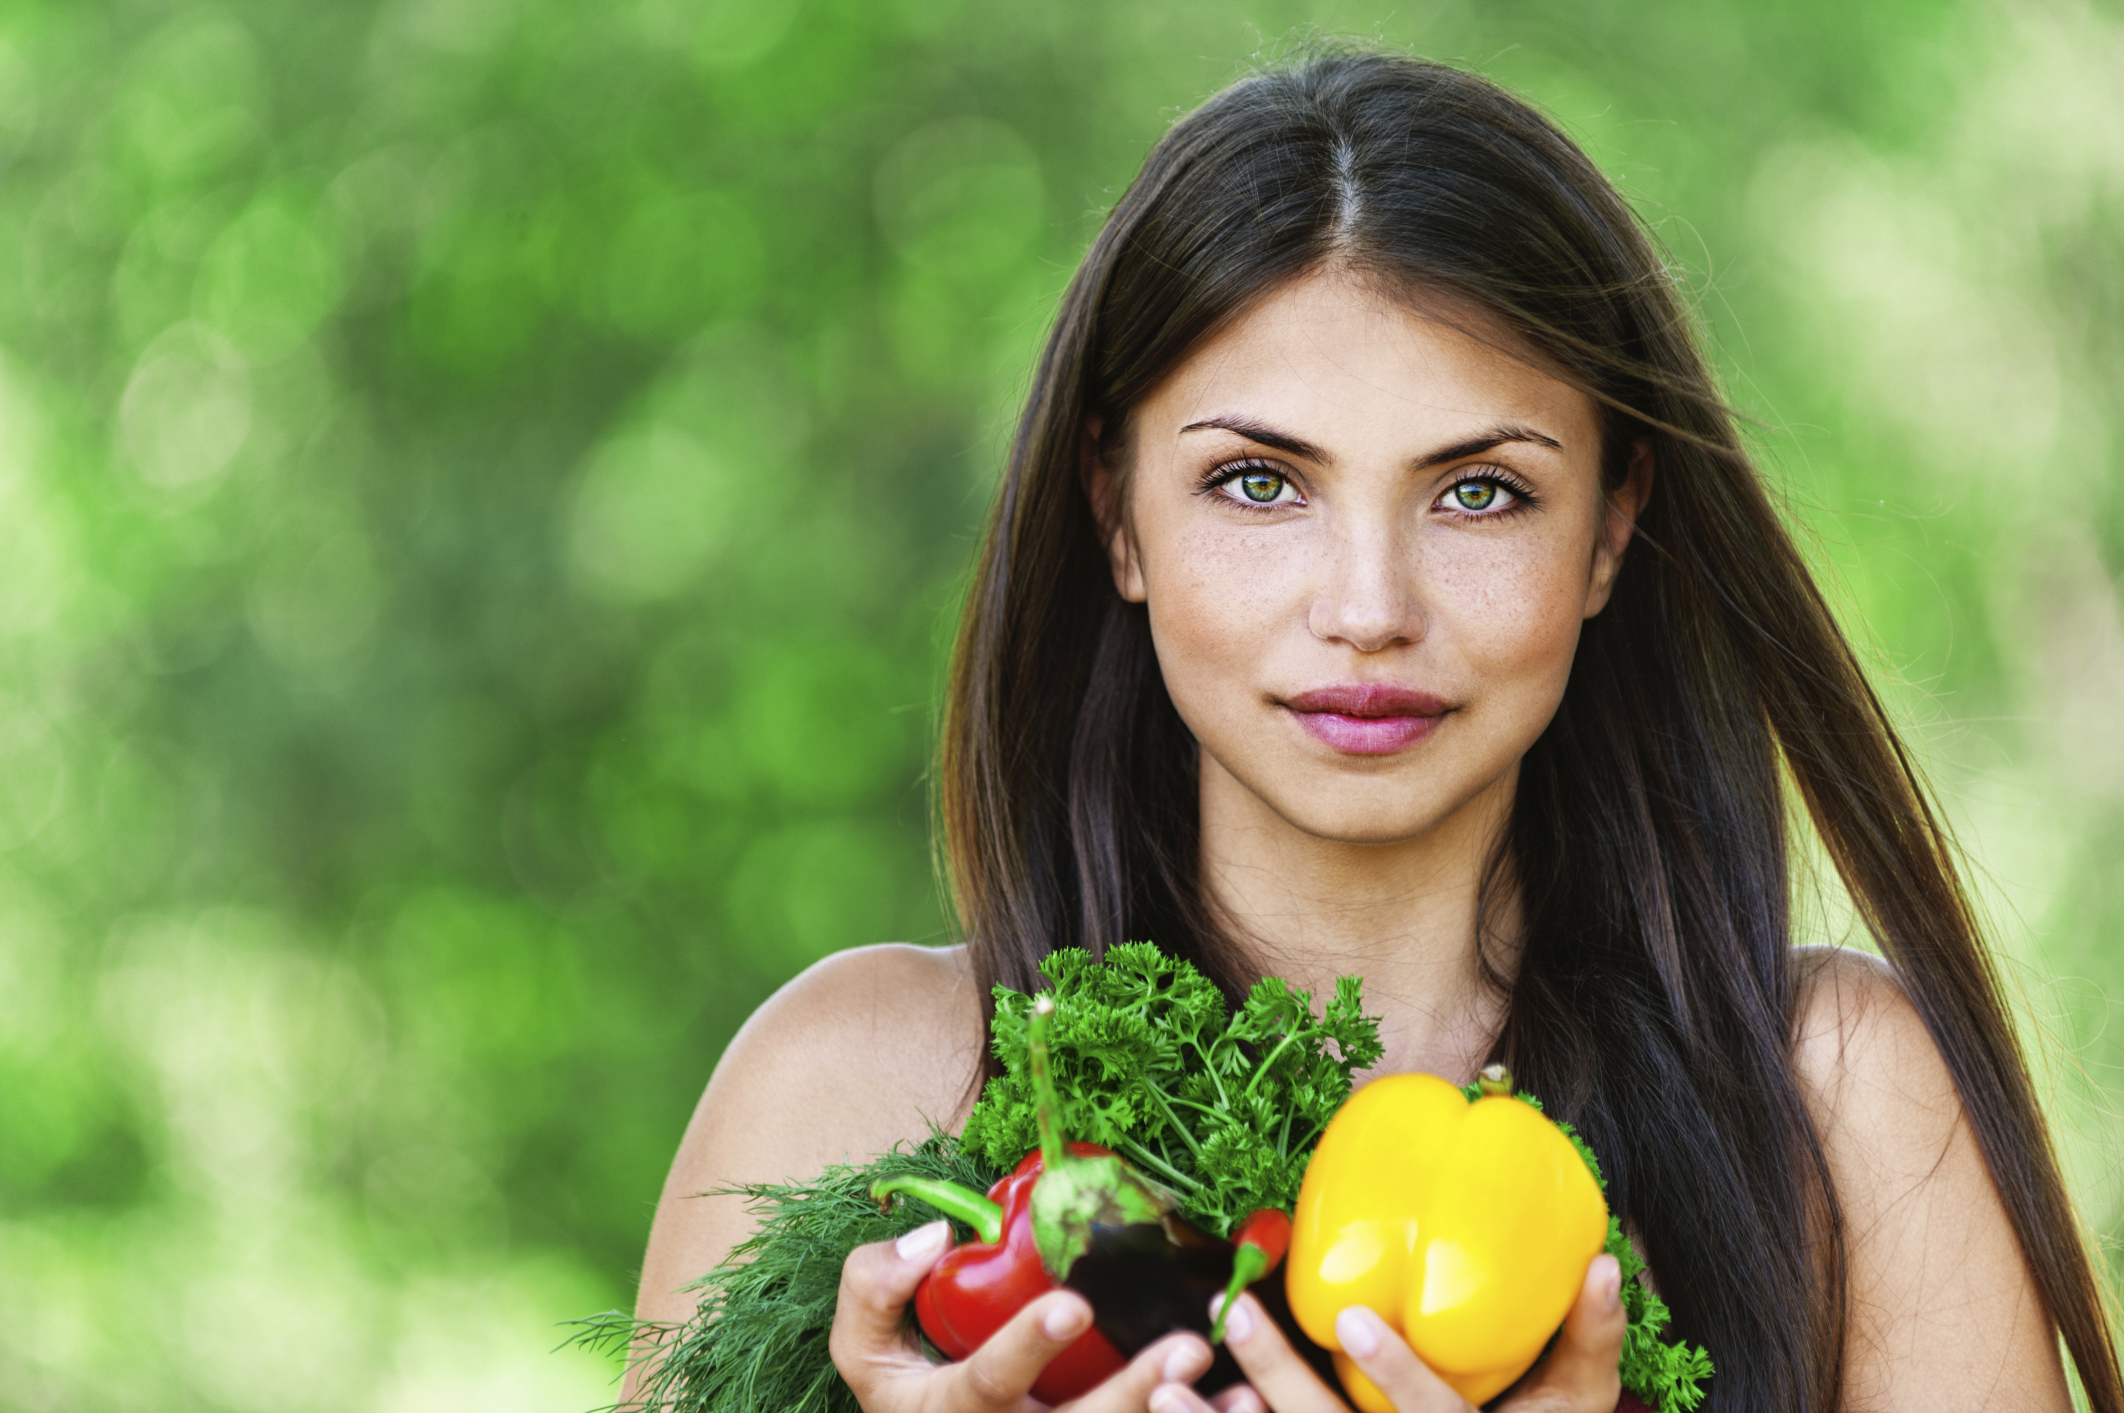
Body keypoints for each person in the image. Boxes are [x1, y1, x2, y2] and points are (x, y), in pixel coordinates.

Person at [632, 50, 2122, 1413]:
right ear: (1114, 511)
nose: (1368, 606)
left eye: (1479, 490)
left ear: (1612, 530)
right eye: (1259, 483)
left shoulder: (1843, 1107)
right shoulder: (848, 1089)